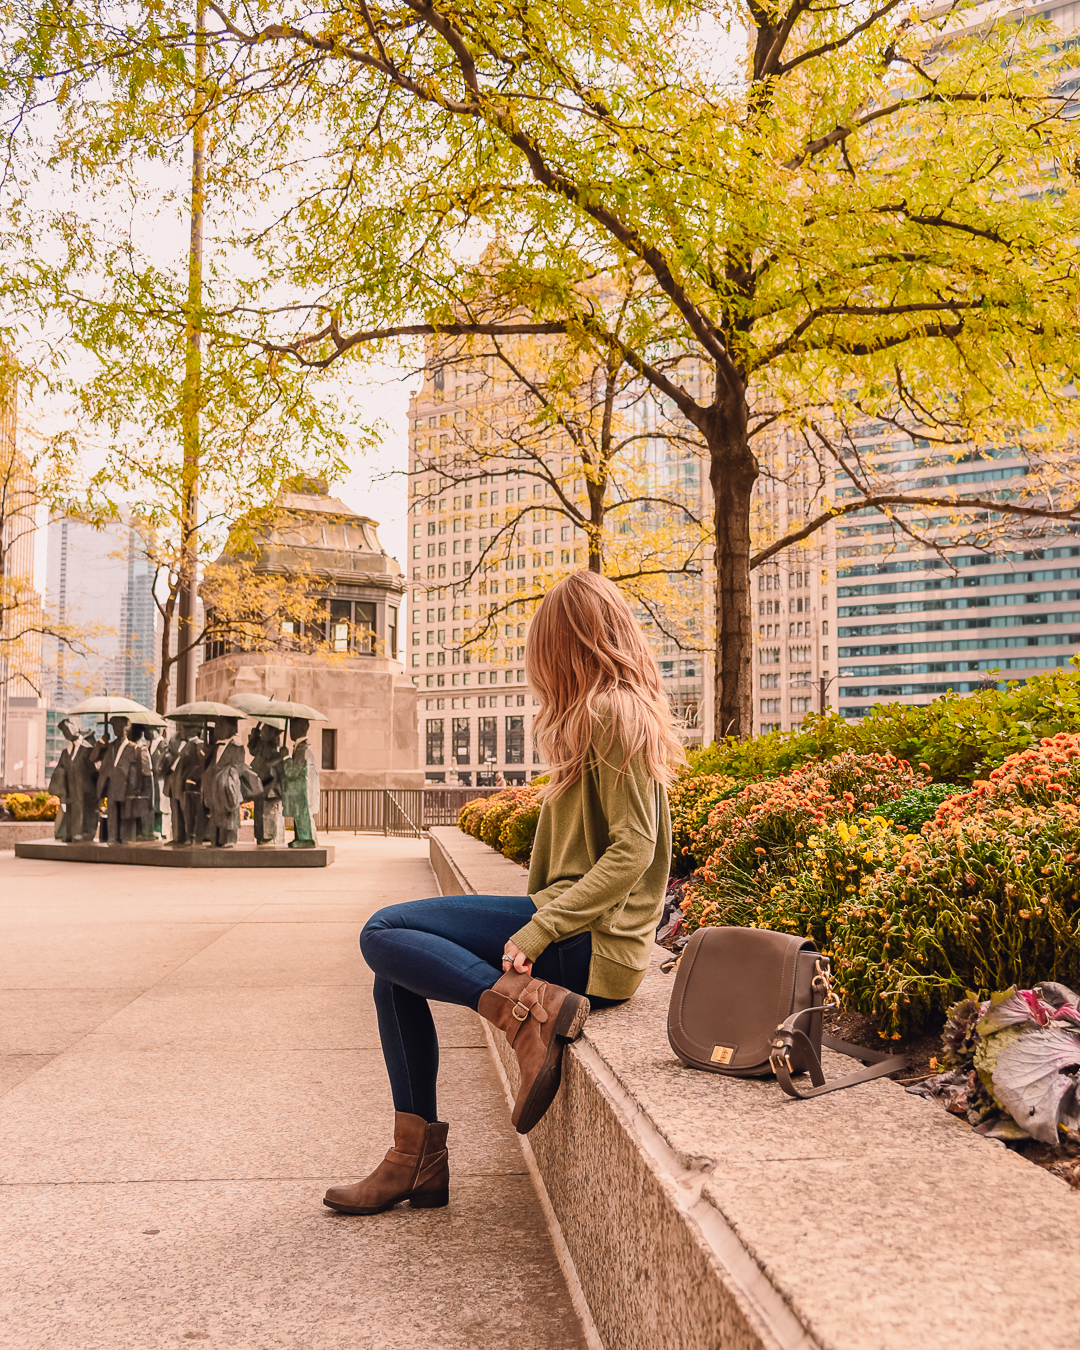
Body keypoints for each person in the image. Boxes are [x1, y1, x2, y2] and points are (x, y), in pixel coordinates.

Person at [323, 571, 684, 1216]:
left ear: (567, 646)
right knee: (394, 975)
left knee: (382, 932)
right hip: (585, 939)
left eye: (540, 646)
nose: (534, 665)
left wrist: (542, 928)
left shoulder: (612, 716)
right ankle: (416, 1160)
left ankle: (524, 1017)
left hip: (588, 946)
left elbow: (635, 849)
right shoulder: (608, 718)